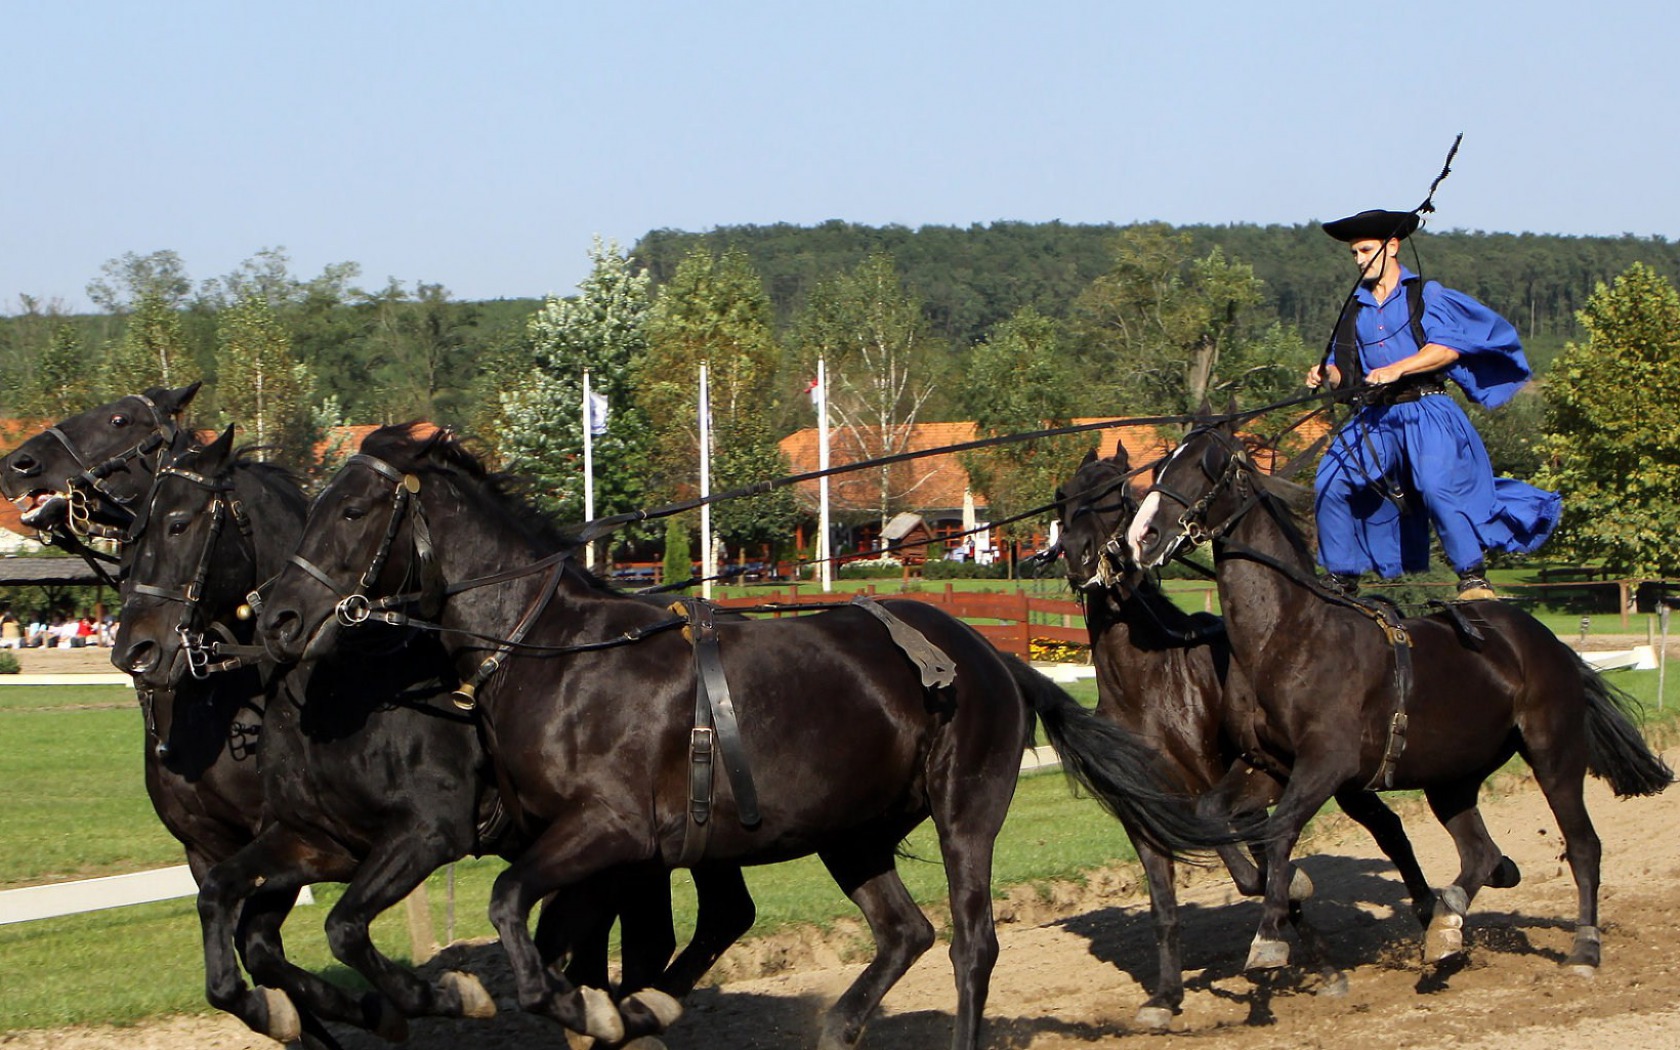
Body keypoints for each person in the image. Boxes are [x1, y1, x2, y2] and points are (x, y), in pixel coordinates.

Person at [1305, 208, 1561, 601]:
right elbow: (1348, 375)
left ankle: (1473, 577)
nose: (1359, 260)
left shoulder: (1425, 295)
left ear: (1392, 247)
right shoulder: (1354, 309)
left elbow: (1446, 351)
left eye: (1366, 250)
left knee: (1437, 486)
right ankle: (1341, 577)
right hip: (1374, 416)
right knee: (1330, 483)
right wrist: (1325, 373)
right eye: (1354, 253)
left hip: (1427, 411)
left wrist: (1397, 369)